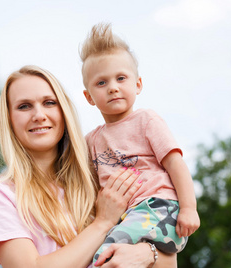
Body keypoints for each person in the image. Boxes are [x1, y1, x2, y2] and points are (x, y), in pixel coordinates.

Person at [0, 65, 177, 267]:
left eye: (49, 103)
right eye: (24, 106)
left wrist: (148, 253)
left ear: (64, 111)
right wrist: (102, 223)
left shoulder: (101, 182)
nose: (39, 115)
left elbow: (167, 247)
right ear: (9, 119)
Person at [79, 23, 200, 265]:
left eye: (121, 78)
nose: (113, 87)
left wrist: (189, 208)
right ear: (89, 97)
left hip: (159, 209)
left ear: (138, 84)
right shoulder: (91, 140)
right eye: (101, 83)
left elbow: (176, 165)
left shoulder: (146, 121)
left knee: (103, 257)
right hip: (126, 218)